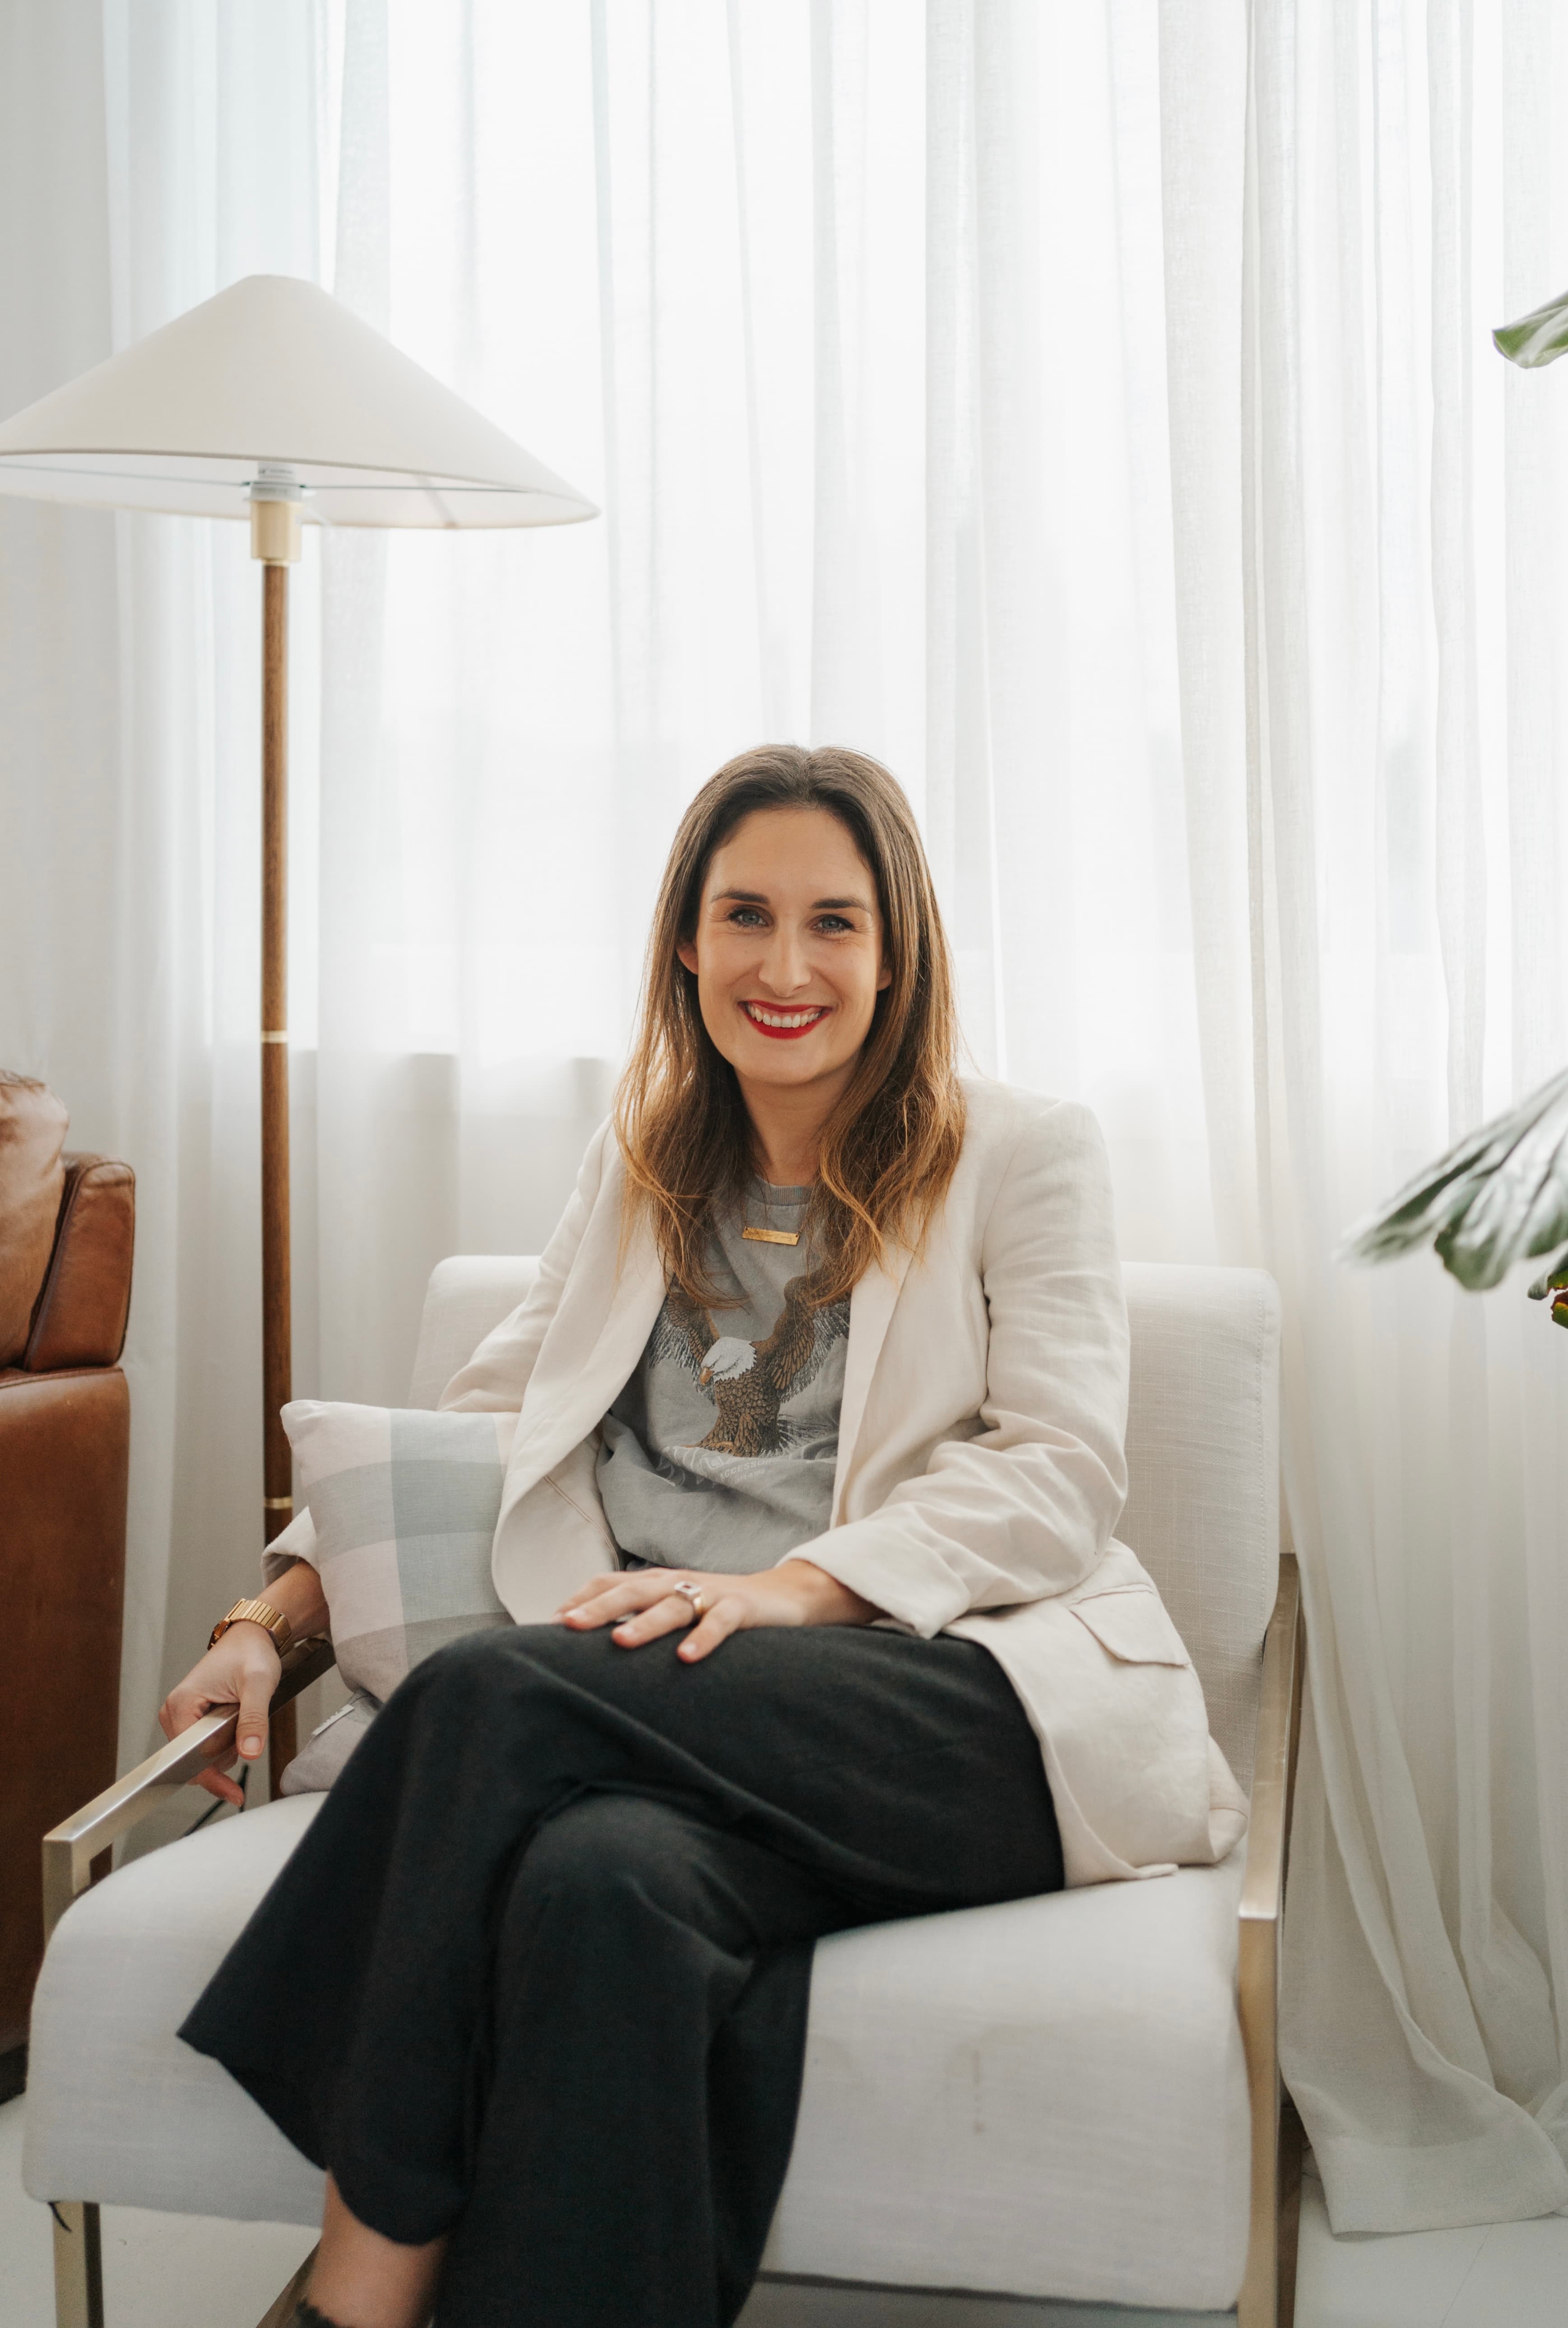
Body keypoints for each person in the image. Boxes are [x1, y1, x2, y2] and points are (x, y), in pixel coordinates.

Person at [164, 745, 1245, 2328]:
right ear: (686, 938)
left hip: (957, 1700)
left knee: (493, 1691)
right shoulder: (641, 1159)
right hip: (678, 1713)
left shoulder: (1020, 1150)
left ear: (896, 951)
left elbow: (1059, 1470)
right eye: (746, 914)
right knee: (600, 1887)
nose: (785, 966)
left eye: (834, 921)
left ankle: (355, 2290)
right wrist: (269, 1622)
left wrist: (793, 1591)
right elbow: (482, 1422)